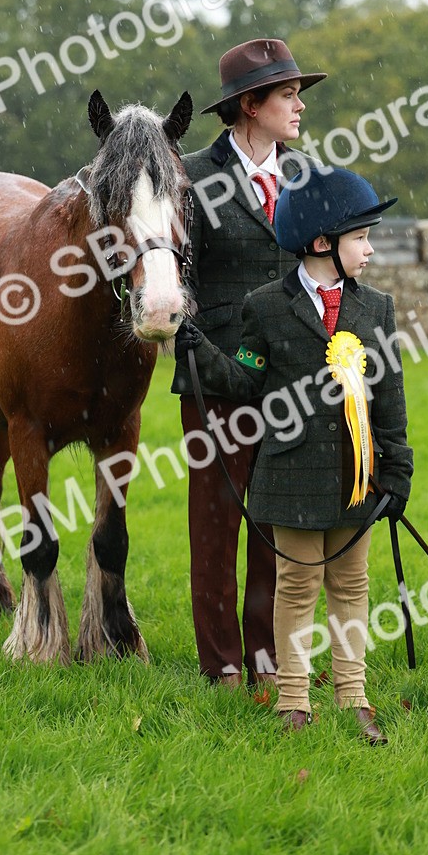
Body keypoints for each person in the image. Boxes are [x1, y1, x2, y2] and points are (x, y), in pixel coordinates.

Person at [175, 167, 413, 744]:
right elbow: (245, 378)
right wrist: (197, 351)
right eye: (362, 237)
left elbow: (389, 396)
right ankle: (293, 700)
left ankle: (354, 696)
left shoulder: (376, 308)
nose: (371, 248)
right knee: (296, 586)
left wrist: (397, 467)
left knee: (352, 588)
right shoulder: (265, 308)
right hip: (288, 478)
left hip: (356, 480)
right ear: (323, 242)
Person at [171, 37, 327, 688]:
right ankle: (223, 666)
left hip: (289, 383)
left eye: (296, 94)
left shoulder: (306, 176)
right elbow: (179, 287)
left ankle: (267, 658)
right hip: (215, 381)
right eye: (287, 95)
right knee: (215, 526)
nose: (298, 107)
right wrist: (215, 361)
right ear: (250, 104)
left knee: (275, 525)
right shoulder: (192, 176)